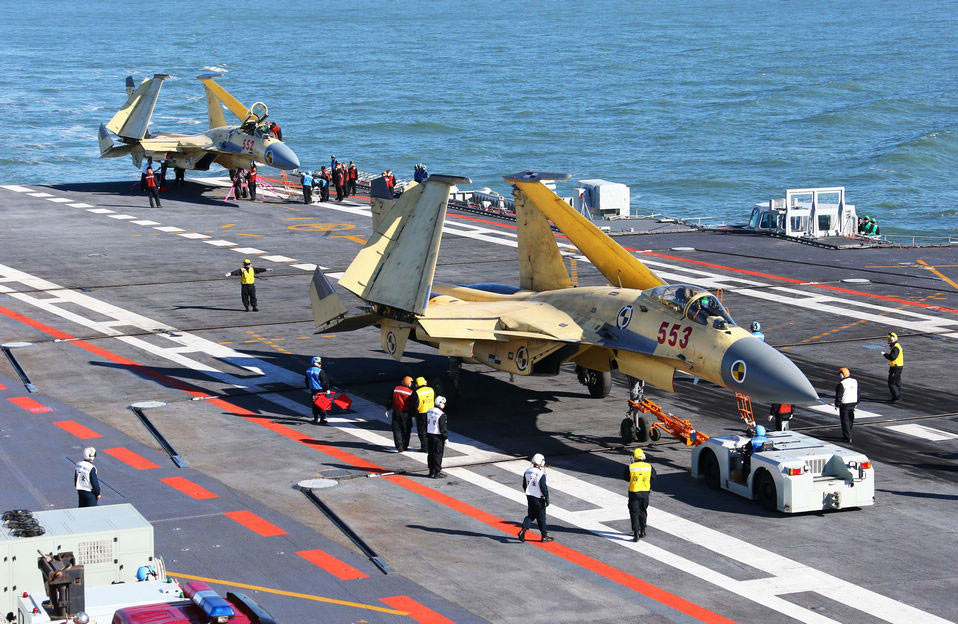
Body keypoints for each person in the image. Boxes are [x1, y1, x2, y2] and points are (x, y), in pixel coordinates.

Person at [518, 453, 553, 543]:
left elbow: (524, 485)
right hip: (539, 498)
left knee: (530, 515)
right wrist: (547, 498)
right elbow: (543, 488)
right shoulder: (541, 474)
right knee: (541, 518)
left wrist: (528, 493)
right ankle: (544, 536)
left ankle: (523, 531)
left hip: (530, 497)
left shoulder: (527, 471)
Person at [624, 448, 654, 541]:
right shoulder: (649, 467)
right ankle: (643, 531)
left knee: (634, 512)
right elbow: (653, 477)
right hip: (645, 493)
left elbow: (626, 478)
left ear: (634, 457)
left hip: (634, 493)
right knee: (643, 511)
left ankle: (636, 533)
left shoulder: (631, 467)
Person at [387, 376, 415, 451]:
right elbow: (412, 404)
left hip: (396, 412)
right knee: (406, 430)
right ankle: (405, 446)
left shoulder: (395, 389)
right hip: (406, 413)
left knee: (397, 429)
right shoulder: (410, 392)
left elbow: (390, 400)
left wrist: (388, 409)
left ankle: (399, 446)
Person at [408, 376, 434, 451]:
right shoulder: (431, 390)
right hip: (431, 413)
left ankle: (424, 447)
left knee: (422, 431)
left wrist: (412, 415)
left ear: (417, 384)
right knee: (430, 430)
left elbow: (413, 405)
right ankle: (431, 446)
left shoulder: (417, 393)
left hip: (421, 413)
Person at [426, 395, 449, 478]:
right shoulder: (441, 414)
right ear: (440, 403)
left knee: (431, 454)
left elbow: (426, 423)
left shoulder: (429, 411)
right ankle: (437, 472)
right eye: (443, 403)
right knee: (438, 454)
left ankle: (431, 471)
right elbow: (443, 427)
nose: (444, 405)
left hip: (429, 436)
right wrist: (445, 437)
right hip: (438, 437)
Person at [306, 356, 331, 424]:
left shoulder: (308, 370)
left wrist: (308, 386)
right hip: (321, 390)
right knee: (322, 405)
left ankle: (315, 418)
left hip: (313, 390)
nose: (320, 364)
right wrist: (327, 389)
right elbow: (324, 381)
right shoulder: (320, 371)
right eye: (319, 363)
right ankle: (322, 419)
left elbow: (307, 380)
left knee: (314, 404)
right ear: (316, 363)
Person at [835, 367, 858, 443]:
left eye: (840, 374)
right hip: (853, 403)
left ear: (842, 375)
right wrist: (857, 402)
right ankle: (848, 434)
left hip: (845, 404)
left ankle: (847, 437)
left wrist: (837, 404)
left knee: (845, 421)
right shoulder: (854, 381)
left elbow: (839, 395)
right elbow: (858, 392)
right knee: (851, 420)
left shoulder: (841, 384)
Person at [883, 332, 903, 402]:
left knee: (891, 383)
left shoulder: (895, 348)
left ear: (892, 339)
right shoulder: (896, 346)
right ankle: (897, 396)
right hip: (898, 367)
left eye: (889, 339)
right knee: (897, 382)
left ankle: (896, 397)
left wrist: (885, 355)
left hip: (895, 367)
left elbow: (892, 357)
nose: (888, 341)